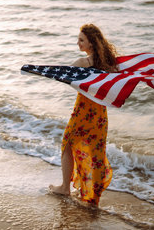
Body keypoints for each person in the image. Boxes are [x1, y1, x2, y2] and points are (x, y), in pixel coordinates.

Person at [49, 23, 117, 205]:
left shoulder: (82, 63)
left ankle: (65, 188)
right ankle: (93, 195)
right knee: (96, 151)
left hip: (83, 111)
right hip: (100, 113)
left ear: (91, 43)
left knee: (67, 142)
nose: (78, 43)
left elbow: (64, 77)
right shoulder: (108, 63)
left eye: (81, 40)